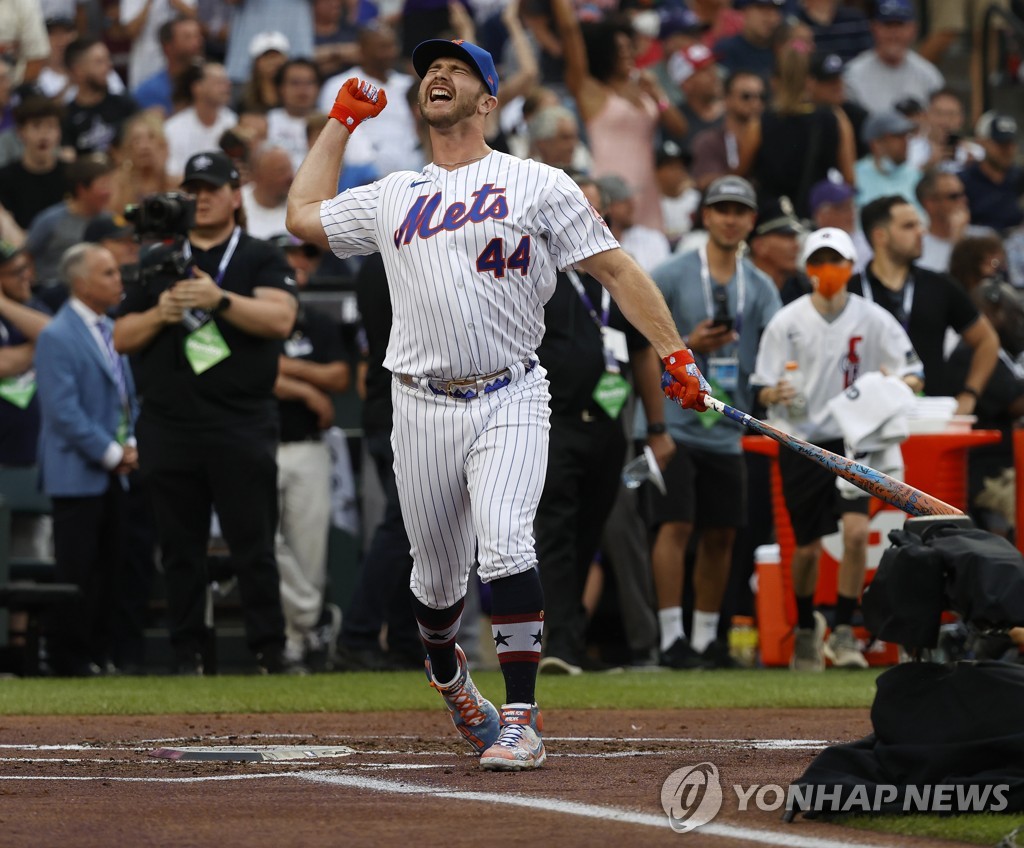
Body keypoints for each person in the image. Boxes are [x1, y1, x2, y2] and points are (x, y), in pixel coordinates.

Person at [285, 38, 707, 770]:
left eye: (458, 70)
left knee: (508, 543)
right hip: (417, 404)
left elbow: (615, 266)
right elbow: (301, 216)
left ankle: (520, 716)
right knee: (435, 584)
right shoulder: (394, 194)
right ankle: (448, 674)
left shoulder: (539, 183)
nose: (437, 76)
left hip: (511, 388)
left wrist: (674, 352)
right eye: (429, 71)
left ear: (489, 100)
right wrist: (340, 123)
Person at [113, 150, 299, 675]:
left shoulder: (260, 255)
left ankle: (269, 650)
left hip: (240, 419)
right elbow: (123, 336)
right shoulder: (157, 258)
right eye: (193, 189)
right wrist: (161, 311)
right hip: (169, 424)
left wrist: (219, 299)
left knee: (253, 543)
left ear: (235, 195)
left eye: (212, 188)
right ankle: (185, 653)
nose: (202, 197)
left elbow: (281, 318)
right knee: (178, 548)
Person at [751, 227, 924, 670]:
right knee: (806, 547)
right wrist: (777, 395)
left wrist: (887, 389)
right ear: (809, 270)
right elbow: (761, 388)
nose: (828, 271)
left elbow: (913, 373)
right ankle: (809, 626)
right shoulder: (787, 321)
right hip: (802, 439)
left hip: (855, 437)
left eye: (837, 261)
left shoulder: (873, 319)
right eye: (820, 262)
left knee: (852, 534)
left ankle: (844, 628)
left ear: (850, 268)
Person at [534, 174, 675, 675]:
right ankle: (559, 648)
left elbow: (640, 354)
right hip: (553, 421)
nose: (587, 221)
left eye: (594, 212)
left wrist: (656, 428)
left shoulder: (617, 276)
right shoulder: (537, 271)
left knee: (588, 533)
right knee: (554, 531)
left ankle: (570, 641)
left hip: (610, 426)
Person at [643, 176, 781, 670]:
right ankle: (670, 637)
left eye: (739, 210)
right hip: (675, 424)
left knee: (722, 531)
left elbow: (775, 353)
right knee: (674, 524)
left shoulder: (760, 286)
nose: (729, 218)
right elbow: (644, 342)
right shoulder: (673, 272)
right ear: (704, 216)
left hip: (728, 424)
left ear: (751, 220)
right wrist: (689, 343)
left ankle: (703, 639)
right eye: (720, 209)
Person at [35, 243, 139, 675]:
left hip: (117, 472)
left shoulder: (113, 329)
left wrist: (131, 442)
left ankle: (100, 653)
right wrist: (113, 452)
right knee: (77, 569)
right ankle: (68, 658)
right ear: (80, 282)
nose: (119, 280)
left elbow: (126, 398)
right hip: (78, 472)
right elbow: (63, 411)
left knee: (113, 565)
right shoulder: (56, 335)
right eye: (109, 273)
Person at [272, 244, 350, 669]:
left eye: (305, 257)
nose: (298, 265)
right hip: (259, 443)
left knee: (309, 552)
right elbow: (248, 372)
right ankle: (311, 616)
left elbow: (339, 375)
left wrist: (285, 368)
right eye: (288, 257)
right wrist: (304, 387)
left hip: (306, 445)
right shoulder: (253, 316)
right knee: (263, 541)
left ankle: (298, 642)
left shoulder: (316, 321)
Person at [849, 195, 998, 407]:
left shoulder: (940, 285)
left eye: (919, 224)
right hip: (867, 414)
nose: (921, 232)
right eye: (909, 226)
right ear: (880, 236)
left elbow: (987, 340)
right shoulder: (850, 291)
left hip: (930, 415)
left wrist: (970, 394)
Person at [552, 0, 687, 231]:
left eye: (628, 47)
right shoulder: (591, 91)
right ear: (603, 53)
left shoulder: (646, 89)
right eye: (618, 49)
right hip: (609, 184)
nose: (626, 54)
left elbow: (681, 129)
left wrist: (658, 95)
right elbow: (570, 32)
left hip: (647, 185)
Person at [742, 40, 855, 219]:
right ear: (810, 81)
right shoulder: (835, 118)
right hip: (816, 217)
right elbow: (849, 178)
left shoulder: (759, 123)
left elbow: (742, 174)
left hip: (773, 220)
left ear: (774, 81)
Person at [0, 243, 53, 559]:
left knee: (30, 557)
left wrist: (3, 304)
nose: (27, 277)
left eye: (27, 268)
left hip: (31, 456)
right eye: (16, 272)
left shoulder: (35, 307)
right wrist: (38, 351)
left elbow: (56, 335)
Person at [26, 153, 116, 287]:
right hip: (53, 290)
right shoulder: (49, 220)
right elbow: (27, 254)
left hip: (97, 289)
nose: (108, 192)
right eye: (103, 185)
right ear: (81, 189)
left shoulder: (109, 220)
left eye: (110, 185)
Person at [841, 0, 943, 116]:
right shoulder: (853, 74)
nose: (894, 33)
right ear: (874, 28)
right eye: (887, 25)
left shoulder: (929, 75)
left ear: (913, 29)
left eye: (900, 25)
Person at [62, 36, 140, 156]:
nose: (109, 66)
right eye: (99, 62)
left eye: (108, 59)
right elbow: (67, 160)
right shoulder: (66, 116)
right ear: (78, 70)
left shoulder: (125, 106)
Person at [0, 97, 67, 232]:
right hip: (18, 246)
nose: (44, 135)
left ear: (59, 132)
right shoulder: (5, 178)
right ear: (21, 133)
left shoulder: (71, 174)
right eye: (36, 126)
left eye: (51, 126)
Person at [690, 70, 764, 191]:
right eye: (746, 96)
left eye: (761, 97)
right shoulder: (709, 141)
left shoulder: (770, 139)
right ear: (727, 98)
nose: (756, 103)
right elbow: (705, 184)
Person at [164, 61, 238, 176]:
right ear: (197, 88)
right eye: (219, 83)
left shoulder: (234, 123)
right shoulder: (172, 128)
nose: (227, 86)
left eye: (227, 82)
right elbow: (170, 174)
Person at [959, 111, 1024, 234]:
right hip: (977, 247)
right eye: (1001, 143)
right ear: (982, 142)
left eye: (1011, 143)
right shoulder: (964, 182)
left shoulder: (1019, 178)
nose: (1008, 150)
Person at [915, 167, 990, 273]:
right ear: (930, 204)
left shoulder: (984, 237)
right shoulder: (918, 247)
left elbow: (991, 271)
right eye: (954, 196)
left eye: (963, 194)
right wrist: (956, 240)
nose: (964, 200)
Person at [132, 16, 206, 115]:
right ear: (168, 46)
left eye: (198, 36)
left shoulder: (211, 83)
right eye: (187, 37)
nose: (197, 42)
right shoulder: (148, 91)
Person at [119, 0, 198, 89]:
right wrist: (149, 3)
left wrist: (177, 3)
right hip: (146, 63)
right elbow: (131, 32)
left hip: (179, 61)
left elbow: (196, 19)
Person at [855, 110, 922, 213]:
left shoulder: (916, 176)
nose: (905, 142)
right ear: (876, 143)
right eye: (897, 136)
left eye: (906, 135)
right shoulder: (855, 176)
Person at [713, 0, 784, 81]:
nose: (771, 19)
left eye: (775, 12)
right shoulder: (726, 49)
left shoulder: (781, 51)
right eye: (764, 11)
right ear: (746, 11)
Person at [241, 145, 293, 239]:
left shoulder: (299, 204)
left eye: (290, 169)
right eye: (281, 171)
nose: (290, 177)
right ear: (257, 176)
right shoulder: (238, 203)